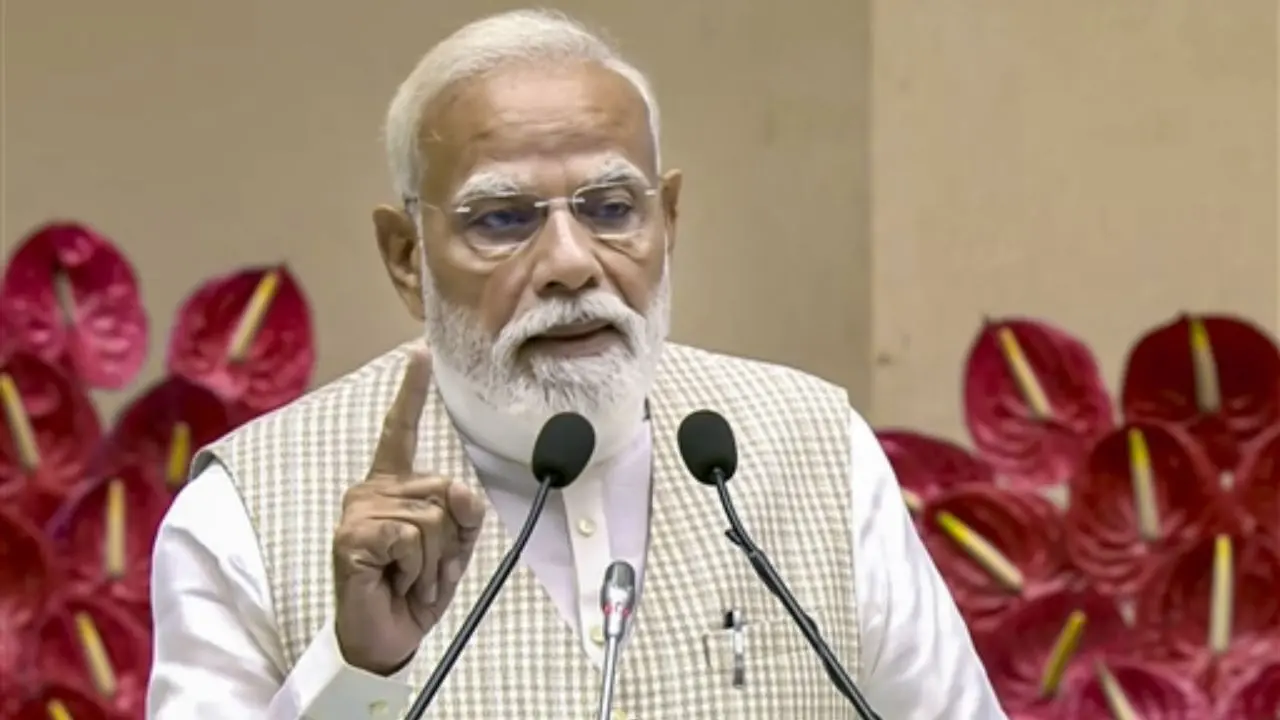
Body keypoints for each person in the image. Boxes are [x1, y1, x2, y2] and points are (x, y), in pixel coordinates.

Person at [146, 9, 1005, 719]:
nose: (571, 262)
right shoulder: (246, 511)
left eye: (611, 208)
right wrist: (356, 669)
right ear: (407, 256)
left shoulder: (813, 452)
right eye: (502, 219)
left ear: (667, 219)